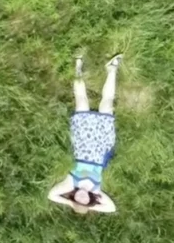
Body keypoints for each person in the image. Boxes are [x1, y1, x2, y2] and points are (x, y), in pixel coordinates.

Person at [48, 55, 122, 214]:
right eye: (85, 202)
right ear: (90, 200)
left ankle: (78, 68)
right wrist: (90, 206)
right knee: (107, 104)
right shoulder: (96, 190)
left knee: (81, 101)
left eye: (77, 200)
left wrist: (70, 203)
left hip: (83, 143)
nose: (81, 199)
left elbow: (51, 195)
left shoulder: (71, 183)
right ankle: (112, 69)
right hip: (101, 145)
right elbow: (111, 208)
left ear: (73, 197)